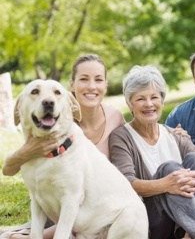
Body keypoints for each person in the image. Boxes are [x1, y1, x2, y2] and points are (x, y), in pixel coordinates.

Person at [1, 54, 125, 239]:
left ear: (105, 85)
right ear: (72, 85)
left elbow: (132, 142)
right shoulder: (53, 127)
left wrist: (172, 132)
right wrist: (27, 151)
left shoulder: (115, 116)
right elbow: (8, 170)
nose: (91, 86)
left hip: (95, 209)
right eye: (84, 79)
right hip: (58, 210)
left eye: (98, 80)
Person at [109, 65, 195, 239]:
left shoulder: (174, 135)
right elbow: (126, 182)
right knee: (170, 168)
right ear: (129, 104)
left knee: (194, 159)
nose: (149, 104)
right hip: (154, 221)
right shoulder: (121, 136)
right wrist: (166, 184)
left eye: (154, 97)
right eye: (141, 98)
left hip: (182, 222)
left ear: (162, 101)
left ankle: (190, 232)